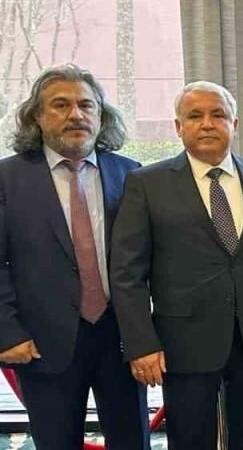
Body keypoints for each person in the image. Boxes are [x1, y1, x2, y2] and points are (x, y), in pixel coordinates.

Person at [110, 81, 243, 449]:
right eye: (195, 116)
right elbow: (127, 273)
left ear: (234, 124)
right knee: (190, 437)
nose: (207, 124)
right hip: (183, 339)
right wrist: (140, 343)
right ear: (178, 126)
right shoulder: (146, 184)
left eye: (218, 115)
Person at [0, 65, 149, 448]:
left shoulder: (131, 175)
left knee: (133, 441)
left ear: (101, 116)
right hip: (42, 343)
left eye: (86, 105)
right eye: (61, 105)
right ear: (38, 115)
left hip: (121, 339)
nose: (76, 115)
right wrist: (8, 332)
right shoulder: (7, 179)